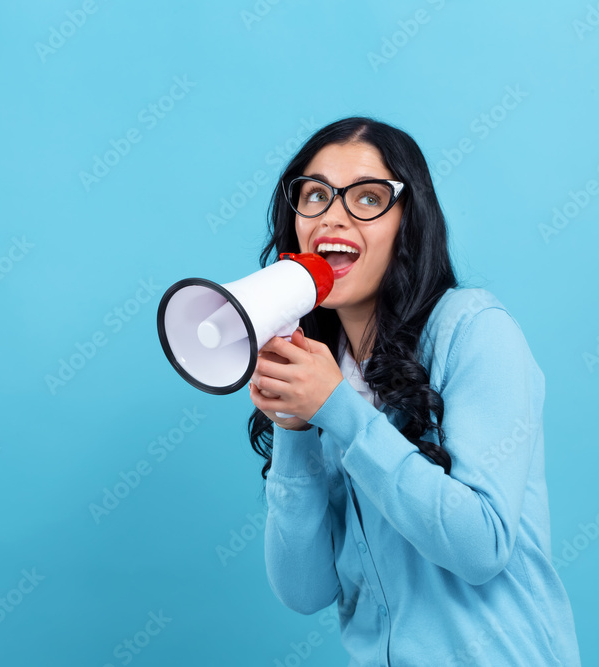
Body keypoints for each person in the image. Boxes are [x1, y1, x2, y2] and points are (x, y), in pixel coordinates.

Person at [247, 116, 581, 666]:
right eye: (315, 194)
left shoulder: (474, 329)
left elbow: (481, 546)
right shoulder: (327, 370)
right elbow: (304, 591)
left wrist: (338, 409)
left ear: (410, 221)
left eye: (369, 197)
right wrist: (296, 428)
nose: (333, 214)